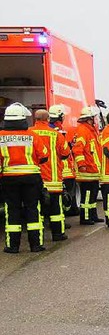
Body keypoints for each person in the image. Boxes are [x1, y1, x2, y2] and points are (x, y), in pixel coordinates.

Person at [0, 103, 49, 253]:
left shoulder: (1, 136)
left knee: (12, 211)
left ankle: (13, 246)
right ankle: (36, 245)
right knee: (32, 209)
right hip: (31, 178)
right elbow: (44, 155)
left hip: (9, 179)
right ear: (23, 118)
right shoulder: (32, 135)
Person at [31, 109, 71, 241]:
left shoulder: (29, 133)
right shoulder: (56, 134)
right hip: (53, 179)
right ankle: (58, 234)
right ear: (48, 120)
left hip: (35, 179)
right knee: (56, 210)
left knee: (37, 210)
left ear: (35, 119)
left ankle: (39, 238)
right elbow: (65, 153)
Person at [72, 106, 104, 225]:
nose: (95, 120)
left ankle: (93, 215)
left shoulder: (91, 131)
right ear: (89, 119)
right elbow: (77, 149)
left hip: (92, 170)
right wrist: (81, 165)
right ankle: (85, 218)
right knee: (87, 196)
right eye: (94, 118)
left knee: (93, 195)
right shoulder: (83, 131)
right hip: (86, 170)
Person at [49, 105, 80, 216]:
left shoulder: (50, 130)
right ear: (60, 117)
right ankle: (64, 214)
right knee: (62, 198)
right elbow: (64, 152)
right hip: (62, 171)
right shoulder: (57, 132)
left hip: (51, 170)